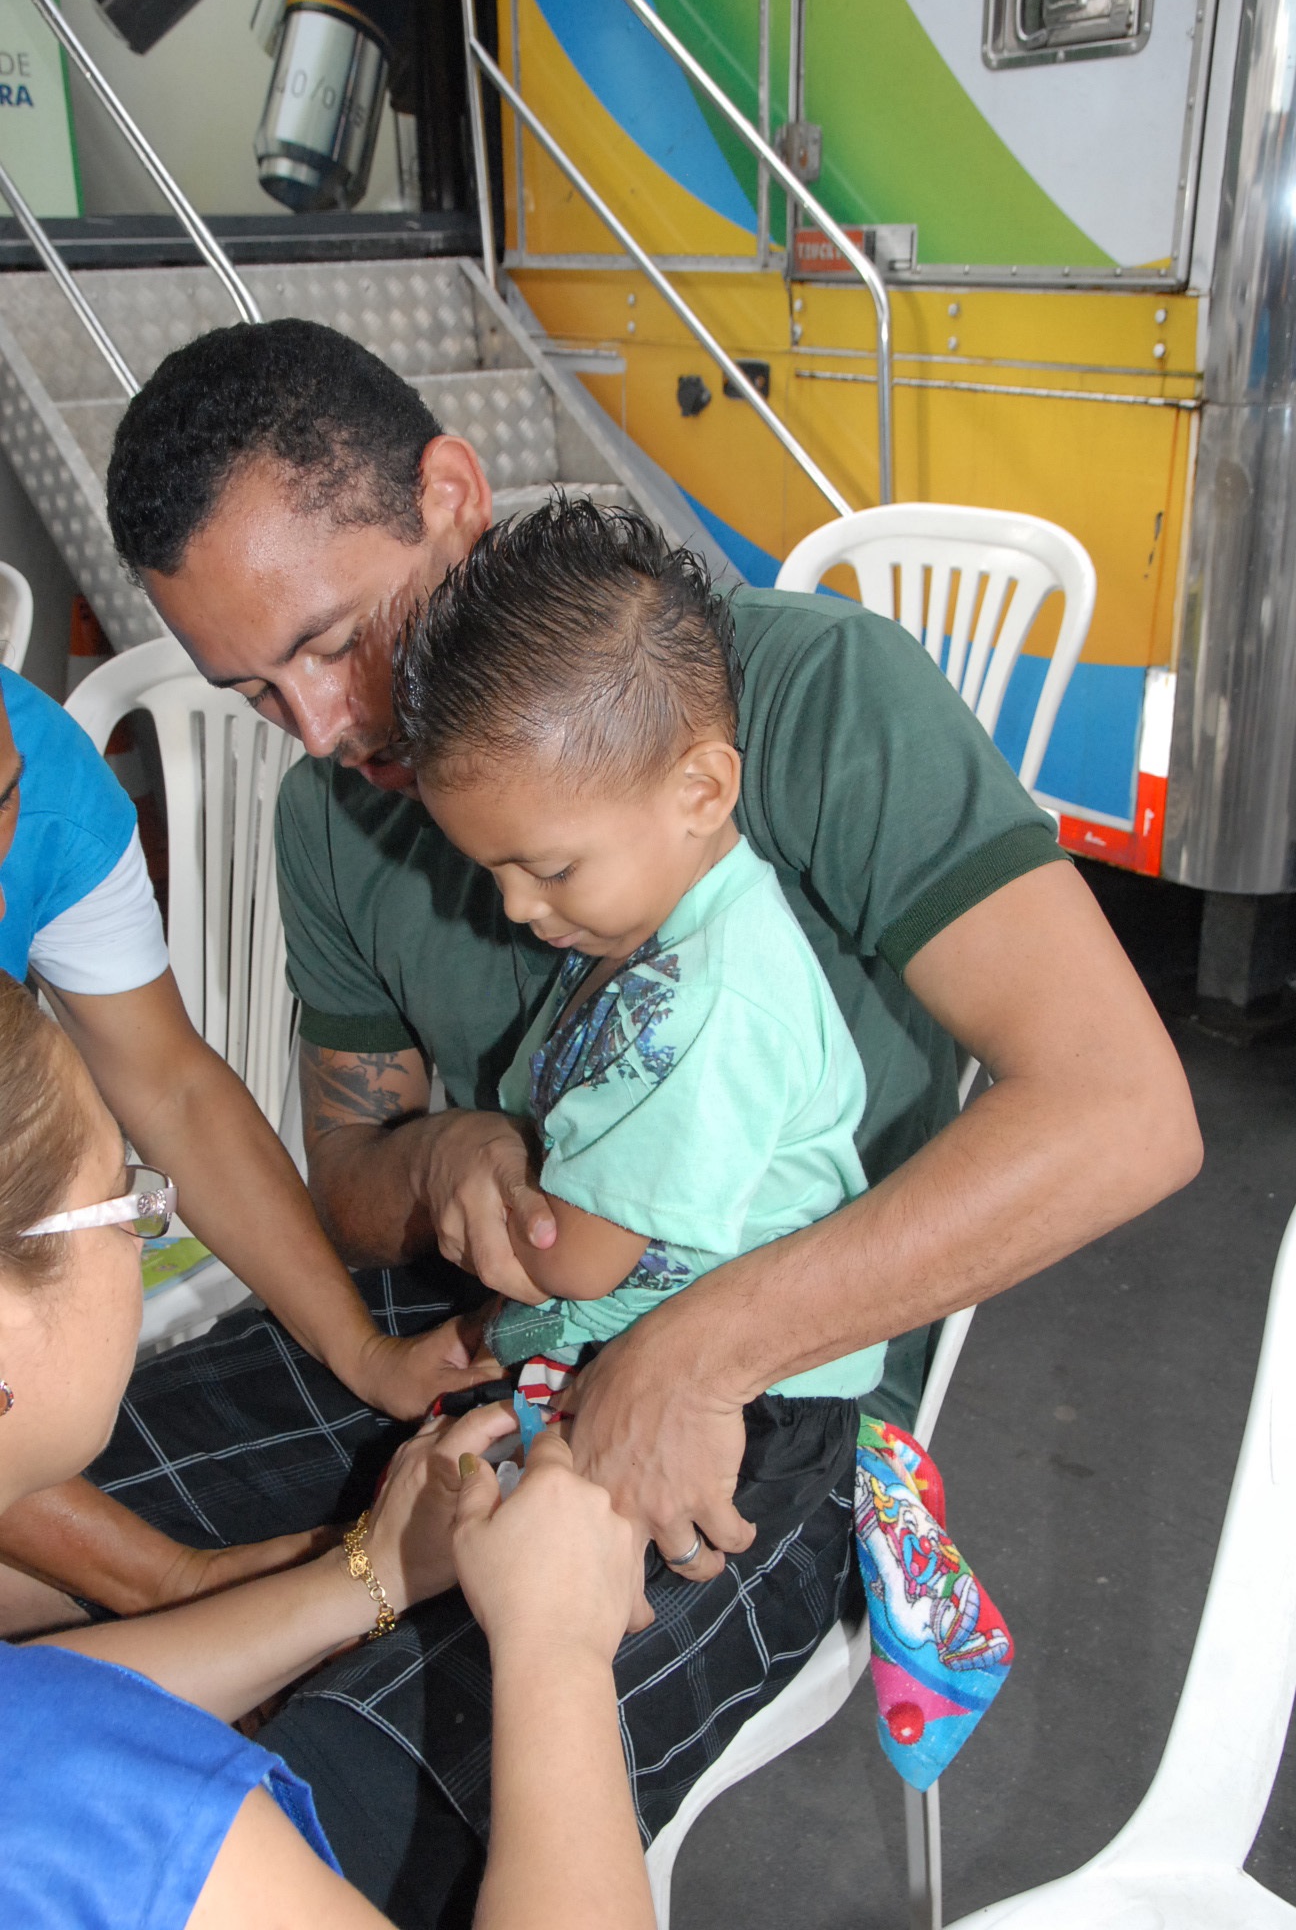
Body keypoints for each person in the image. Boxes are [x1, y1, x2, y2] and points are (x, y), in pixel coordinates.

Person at [86, 316, 1198, 1904]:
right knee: (60, 1508)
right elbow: (348, 1170)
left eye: (337, 642)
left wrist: (702, 1345)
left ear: (453, 494)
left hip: (775, 1405)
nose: (324, 729)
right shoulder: (329, 814)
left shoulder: (804, 698)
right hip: (501, 1323)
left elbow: (1124, 1114)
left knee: (334, 1801)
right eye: (256, 692)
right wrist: (441, 1156)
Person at [0, 970, 653, 1930]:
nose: (146, 1235)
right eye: (124, 1200)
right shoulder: (118, 1827)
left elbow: (37, 1702)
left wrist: (373, 1571)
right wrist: (558, 1649)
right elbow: (60, 1750)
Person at [394, 498, 889, 1546]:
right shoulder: (649, 932)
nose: (519, 907)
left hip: (751, 1411)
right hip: (644, 1340)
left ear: (702, 788)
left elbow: (574, 1261)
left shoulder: (702, 1003)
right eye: (494, 869)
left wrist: (492, 1214)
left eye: (549, 867)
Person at [0, 662, 497, 1636]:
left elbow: (172, 1086)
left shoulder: (43, 772)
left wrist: (362, 1351)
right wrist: (174, 1585)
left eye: (2, 794)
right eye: (124, 1204)